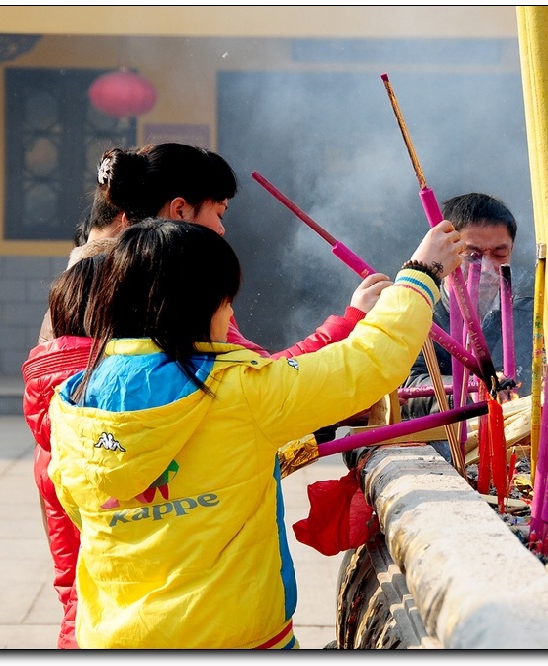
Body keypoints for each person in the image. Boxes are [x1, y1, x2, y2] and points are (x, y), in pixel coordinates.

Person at [46, 217, 463, 648]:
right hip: (233, 636)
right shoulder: (238, 390)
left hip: (113, 637)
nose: (230, 314)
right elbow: (366, 363)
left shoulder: (74, 398)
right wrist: (421, 274)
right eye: (227, 301)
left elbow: (80, 508)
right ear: (202, 303)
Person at [40, 143, 391, 357]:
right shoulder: (166, 292)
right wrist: (351, 321)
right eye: (219, 213)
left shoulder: (74, 285)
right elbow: (262, 382)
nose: (222, 230)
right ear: (178, 211)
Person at [399, 193, 548, 426]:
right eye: (473, 255)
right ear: (445, 250)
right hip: (442, 445)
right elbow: (407, 385)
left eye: (499, 254)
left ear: (511, 250)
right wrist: (471, 389)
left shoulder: (534, 316)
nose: (486, 268)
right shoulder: (418, 313)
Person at [22, 250, 111, 649]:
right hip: (114, 628)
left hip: (80, 627)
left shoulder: (49, 428)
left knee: (72, 591)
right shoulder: (108, 400)